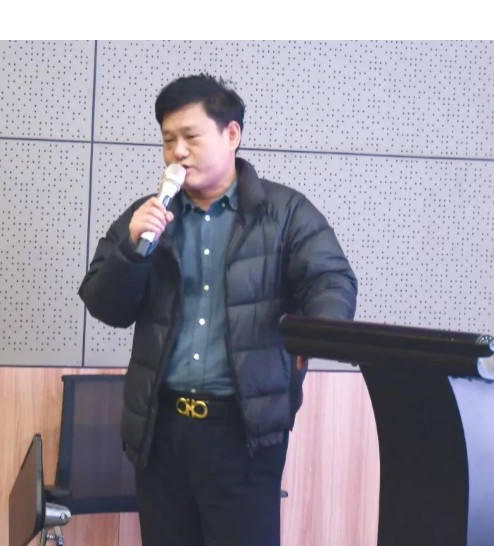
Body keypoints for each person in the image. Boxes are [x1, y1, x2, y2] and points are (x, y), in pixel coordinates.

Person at [78, 73, 357, 546]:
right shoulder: (147, 215)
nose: (177, 153)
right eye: (168, 140)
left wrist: (316, 334)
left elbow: (331, 280)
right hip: (160, 431)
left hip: (243, 433)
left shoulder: (285, 213)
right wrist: (131, 249)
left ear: (231, 134)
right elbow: (106, 306)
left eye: (190, 137)